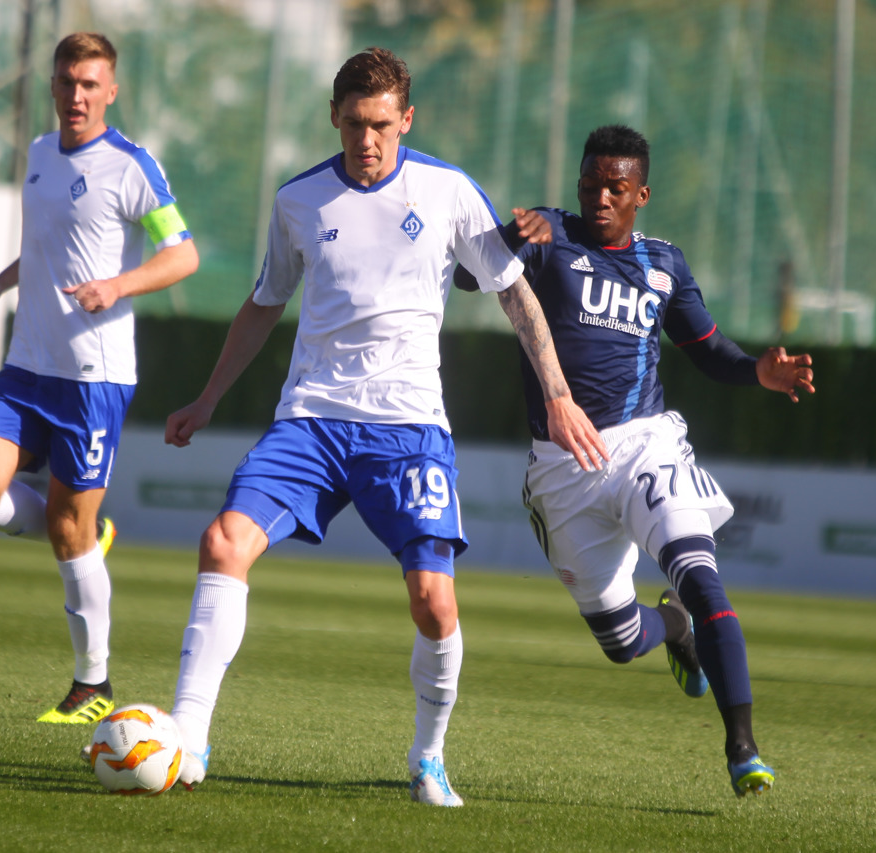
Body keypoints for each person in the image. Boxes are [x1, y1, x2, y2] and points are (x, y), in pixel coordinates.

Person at [160, 47, 602, 807]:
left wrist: (558, 394)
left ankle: (428, 757)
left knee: (434, 600)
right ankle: (187, 735)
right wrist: (207, 399)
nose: (367, 140)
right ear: (334, 116)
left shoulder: (448, 190)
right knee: (223, 542)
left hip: (408, 428)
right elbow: (265, 303)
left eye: (382, 126)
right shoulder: (298, 201)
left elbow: (513, 292)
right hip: (311, 420)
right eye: (354, 124)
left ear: (407, 120)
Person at [454, 124, 815, 798]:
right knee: (621, 641)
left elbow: (709, 350)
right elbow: (465, 276)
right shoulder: (549, 236)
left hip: (646, 445)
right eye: (591, 184)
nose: (600, 198)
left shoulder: (664, 264)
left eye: (615, 188)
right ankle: (672, 626)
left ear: (640, 194)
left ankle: (742, 745)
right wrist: (509, 236)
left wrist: (758, 372)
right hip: (562, 467)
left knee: (702, 577)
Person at [0, 32, 199, 724]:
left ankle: (94, 685)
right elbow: (44, 249)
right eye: (66, 82)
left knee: (66, 529)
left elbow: (182, 255)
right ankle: (89, 531)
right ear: (53, 86)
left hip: (93, 378)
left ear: (111, 91)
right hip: (26, 367)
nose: (77, 95)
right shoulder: (37, 154)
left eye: (90, 84)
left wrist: (117, 285)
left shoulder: (131, 166)